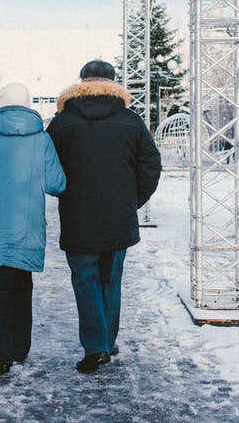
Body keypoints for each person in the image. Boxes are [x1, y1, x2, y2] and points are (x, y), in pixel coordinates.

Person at [46, 60, 161, 374]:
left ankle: (96, 347)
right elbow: (151, 166)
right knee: (111, 279)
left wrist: (65, 194)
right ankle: (107, 340)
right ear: (114, 83)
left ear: (81, 82)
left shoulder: (62, 122)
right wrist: (131, 201)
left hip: (78, 216)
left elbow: (48, 169)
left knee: (85, 280)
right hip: (118, 217)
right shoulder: (131, 120)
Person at [0, 82, 66, 377]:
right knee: (22, 290)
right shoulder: (41, 139)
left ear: (0, 104)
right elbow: (58, 183)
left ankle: (0, 358)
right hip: (27, 230)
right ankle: (20, 350)